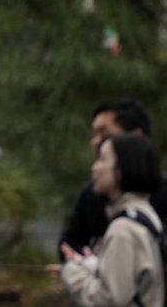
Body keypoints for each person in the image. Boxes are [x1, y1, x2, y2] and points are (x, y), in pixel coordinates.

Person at [58, 133, 165, 306]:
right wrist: (92, 265)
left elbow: (107, 300)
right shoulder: (144, 215)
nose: (95, 168)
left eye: (102, 159)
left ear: (122, 168)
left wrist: (71, 270)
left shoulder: (123, 229)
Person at [60, 100, 167, 259]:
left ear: (136, 137)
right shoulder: (91, 195)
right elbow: (68, 245)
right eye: (94, 134)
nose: (95, 141)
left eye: (104, 132)